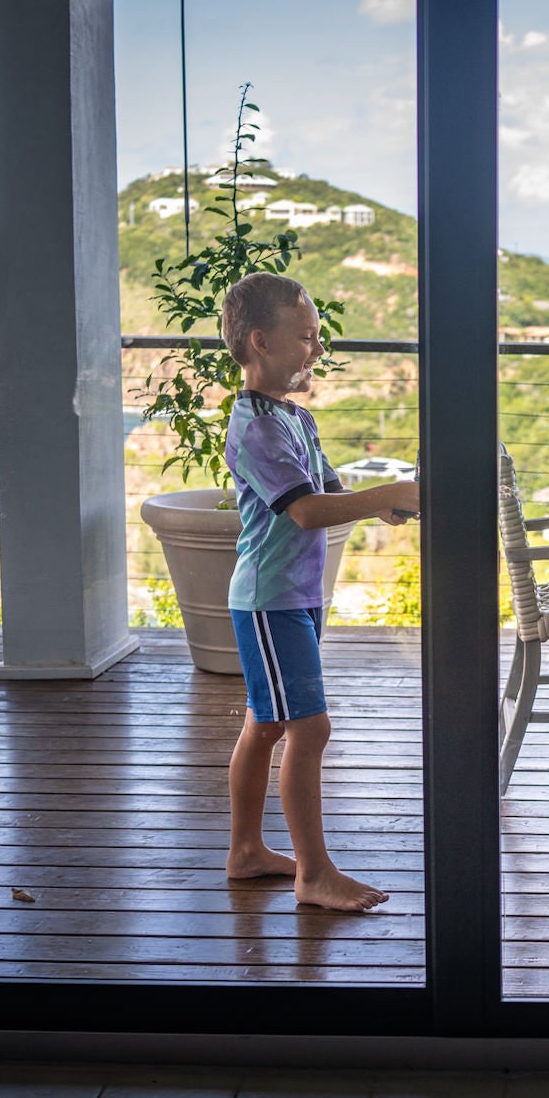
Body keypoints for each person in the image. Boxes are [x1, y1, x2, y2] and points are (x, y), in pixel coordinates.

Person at [219, 271, 420, 913]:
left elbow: (330, 493)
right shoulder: (255, 427)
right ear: (261, 342)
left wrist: (388, 504)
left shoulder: (293, 418)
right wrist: (385, 496)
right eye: (306, 337)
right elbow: (305, 512)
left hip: (293, 597)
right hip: (269, 600)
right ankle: (314, 873)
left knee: (266, 721)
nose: (317, 349)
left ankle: (247, 851)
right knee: (311, 730)